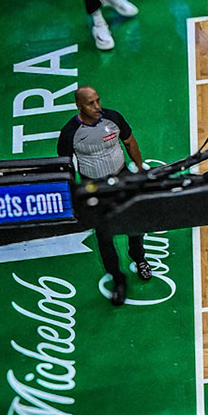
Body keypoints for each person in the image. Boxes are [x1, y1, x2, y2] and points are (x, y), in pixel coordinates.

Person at [57, 86, 151, 304]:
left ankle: (139, 259)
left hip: (122, 178)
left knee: (135, 224)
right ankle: (118, 280)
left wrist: (139, 169)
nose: (97, 106)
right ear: (79, 106)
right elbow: (64, 164)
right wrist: (72, 191)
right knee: (104, 236)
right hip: (94, 187)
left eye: (98, 100)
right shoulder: (70, 132)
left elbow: (129, 141)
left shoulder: (113, 118)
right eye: (90, 103)